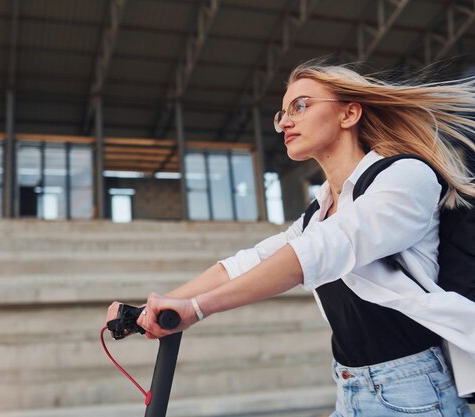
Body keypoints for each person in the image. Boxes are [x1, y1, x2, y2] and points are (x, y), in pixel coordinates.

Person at [105, 60, 475, 417]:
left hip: (414, 392)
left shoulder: (406, 177)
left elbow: (320, 250)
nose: (285, 122)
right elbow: (246, 263)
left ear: (349, 114)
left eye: (300, 106)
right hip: (352, 388)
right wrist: (156, 306)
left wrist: (198, 308)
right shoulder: (319, 212)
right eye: (281, 113)